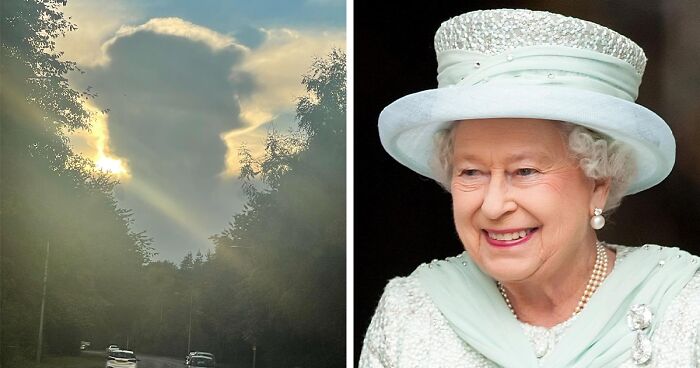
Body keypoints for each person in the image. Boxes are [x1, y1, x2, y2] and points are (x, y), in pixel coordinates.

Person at [358, 8, 700, 367]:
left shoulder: (684, 306)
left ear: (598, 182)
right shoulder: (410, 314)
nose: (493, 206)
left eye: (524, 171)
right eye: (472, 172)